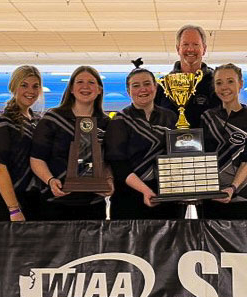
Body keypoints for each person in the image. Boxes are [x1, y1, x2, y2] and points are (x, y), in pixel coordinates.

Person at [30, 66, 112, 220]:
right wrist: (50, 180)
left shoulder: (106, 122)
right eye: (80, 82)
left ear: (99, 89)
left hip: (93, 204)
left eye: (91, 82)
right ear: (72, 89)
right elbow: (36, 158)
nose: (85, 86)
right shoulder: (52, 118)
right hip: (55, 201)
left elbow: (107, 161)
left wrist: (109, 180)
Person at [105, 61, 182, 219]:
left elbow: (178, 157)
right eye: (136, 85)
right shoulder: (119, 120)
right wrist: (146, 191)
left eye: (147, 84)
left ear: (155, 87)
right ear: (128, 91)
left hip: (167, 197)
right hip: (129, 197)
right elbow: (119, 166)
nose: (142, 89)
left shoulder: (171, 117)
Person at [199, 63, 247, 220]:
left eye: (230, 81)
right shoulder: (207, 117)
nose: (224, 87)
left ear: (240, 84)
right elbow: (201, 156)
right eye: (219, 83)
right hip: (211, 197)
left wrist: (233, 187)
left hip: (243, 197)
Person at [0, 65, 42, 221]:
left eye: (35, 86)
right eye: (24, 85)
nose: (31, 91)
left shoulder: (37, 121)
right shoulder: (2, 123)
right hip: (7, 205)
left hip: (34, 201)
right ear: (13, 87)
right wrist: (14, 209)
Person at [154, 24, 221, 129]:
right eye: (185, 44)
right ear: (178, 49)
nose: (190, 49)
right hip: (169, 144)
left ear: (204, 49)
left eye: (196, 44)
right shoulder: (163, 86)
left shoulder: (217, 83)